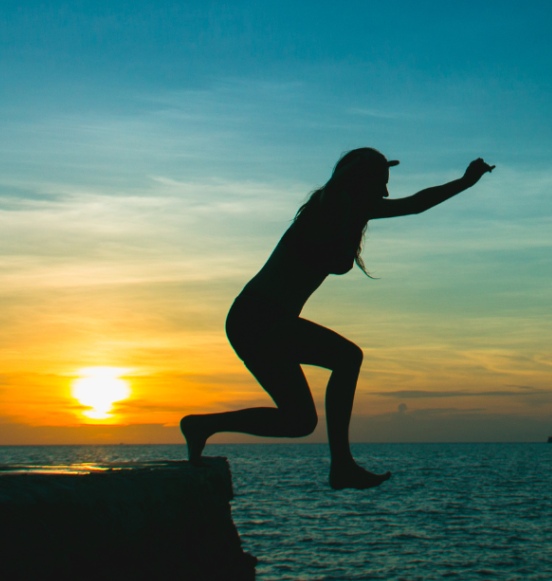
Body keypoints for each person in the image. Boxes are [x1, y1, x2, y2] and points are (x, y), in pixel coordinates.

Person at [181, 148, 495, 489]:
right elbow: (340, 256)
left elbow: (416, 203)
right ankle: (342, 465)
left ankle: (201, 426)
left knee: (299, 421)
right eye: (381, 184)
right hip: (258, 317)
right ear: (360, 181)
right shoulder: (331, 207)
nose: (386, 193)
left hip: (255, 320)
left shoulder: (349, 207)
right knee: (348, 358)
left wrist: (466, 182)